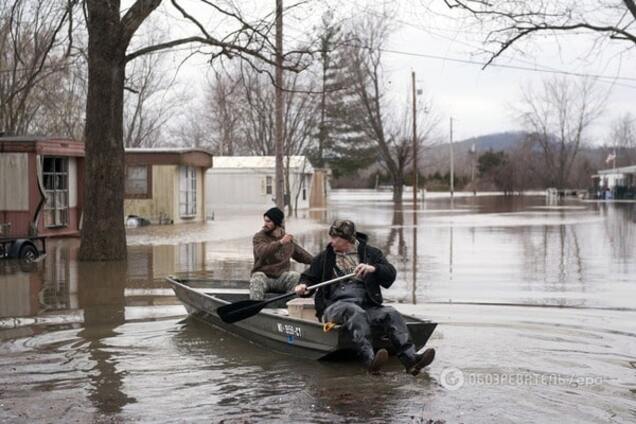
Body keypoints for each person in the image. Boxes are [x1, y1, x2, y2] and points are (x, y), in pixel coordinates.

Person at [294, 219, 435, 375]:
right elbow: (308, 278)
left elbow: (390, 275)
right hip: (334, 307)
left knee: (391, 313)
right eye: (331, 237)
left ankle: (411, 361)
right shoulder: (324, 257)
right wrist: (302, 286)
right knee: (354, 311)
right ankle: (370, 361)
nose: (331, 242)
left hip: (366, 305)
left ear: (348, 239)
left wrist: (374, 269)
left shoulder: (371, 254)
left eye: (335, 238)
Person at [249, 207, 313, 300]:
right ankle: (255, 309)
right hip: (264, 277)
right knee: (257, 278)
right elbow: (262, 252)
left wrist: (319, 262)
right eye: (265, 221)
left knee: (295, 276)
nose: (265, 224)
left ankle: (290, 308)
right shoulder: (259, 237)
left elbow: (302, 255)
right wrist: (280, 243)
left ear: (277, 223)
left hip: (281, 279)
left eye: (268, 221)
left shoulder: (287, 240)